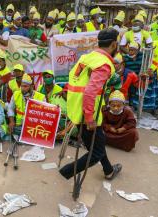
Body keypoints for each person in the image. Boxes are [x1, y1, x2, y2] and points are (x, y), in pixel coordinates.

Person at [60, 28, 122, 181]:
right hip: (88, 114)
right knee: (96, 152)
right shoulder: (104, 64)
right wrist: (89, 118)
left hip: (77, 109)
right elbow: (89, 92)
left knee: (97, 145)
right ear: (114, 44)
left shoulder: (87, 57)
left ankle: (108, 171)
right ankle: (66, 172)